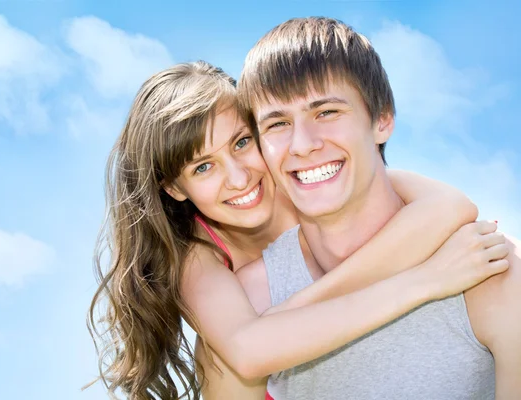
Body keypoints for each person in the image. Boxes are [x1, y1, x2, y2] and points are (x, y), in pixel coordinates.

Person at [87, 61, 508, 400]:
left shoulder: (307, 181)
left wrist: (294, 307)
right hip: (270, 379)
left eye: (240, 143)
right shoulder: (197, 254)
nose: (238, 178)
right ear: (175, 188)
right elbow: (249, 351)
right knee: (216, 355)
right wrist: (425, 281)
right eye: (203, 167)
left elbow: (452, 206)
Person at [234, 17, 520, 400]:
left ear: (382, 119)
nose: (302, 144)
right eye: (278, 123)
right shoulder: (250, 300)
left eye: (327, 112)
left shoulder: (490, 271)